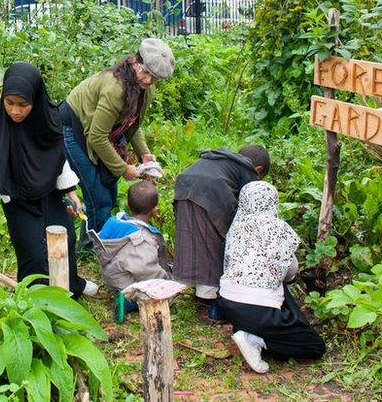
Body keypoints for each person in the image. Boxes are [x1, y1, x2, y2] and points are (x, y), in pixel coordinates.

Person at [0, 62, 98, 297]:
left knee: (64, 240)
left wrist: (72, 194)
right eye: (10, 103)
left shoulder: (48, 120)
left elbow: (57, 158)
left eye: (23, 105)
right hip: (18, 200)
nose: (15, 111)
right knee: (33, 254)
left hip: (49, 194)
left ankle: (71, 286)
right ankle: (33, 301)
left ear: (35, 100)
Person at [60, 38, 175, 239]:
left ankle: (96, 240)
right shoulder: (115, 88)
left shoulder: (144, 89)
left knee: (108, 190)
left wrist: (144, 154)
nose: (148, 80)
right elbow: (96, 137)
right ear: (135, 62)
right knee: (98, 195)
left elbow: (131, 124)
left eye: (154, 78)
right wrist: (123, 168)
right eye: (146, 72)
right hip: (71, 126)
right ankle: (94, 247)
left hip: (98, 131)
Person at [217, 181, 326, 373]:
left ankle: (247, 329)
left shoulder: (236, 228)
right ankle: (255, 340)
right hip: (259, 310)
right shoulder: (279, 229)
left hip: (227, 301)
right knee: (315, 346)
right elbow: (290, 270)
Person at [172, 145, 270, 318]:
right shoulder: (248, 171)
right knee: (213, 243)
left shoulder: (220, 159)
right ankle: (212, 301)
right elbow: (249, 206)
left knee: (189, 237)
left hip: (184, 186)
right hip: (212, 192)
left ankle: (196, 290)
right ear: (259, 169)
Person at [91, 181, 173, 322]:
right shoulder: (142, 238)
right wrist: (165, 280)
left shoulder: (113, 221)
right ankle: (130, 303)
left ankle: (121, 294)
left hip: (110, 278)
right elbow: (145, 270)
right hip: (127, 284)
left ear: (128, 204)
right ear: (155, 209)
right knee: (163, 293)